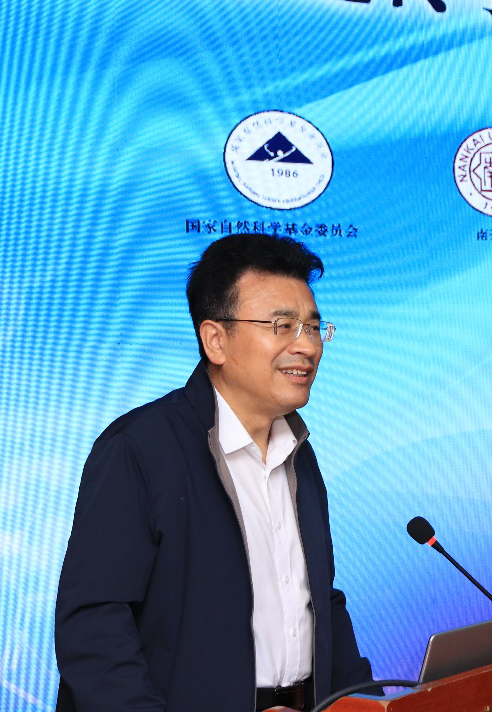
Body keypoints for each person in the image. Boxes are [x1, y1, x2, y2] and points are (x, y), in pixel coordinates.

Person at [55, 233, 373, 712]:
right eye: (282, 326)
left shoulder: (298, 453)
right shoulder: (139, 449)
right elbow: (93, 630)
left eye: (312, 327)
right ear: (216, 340)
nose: (306, 346)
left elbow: (319, 603)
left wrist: (366, 701)